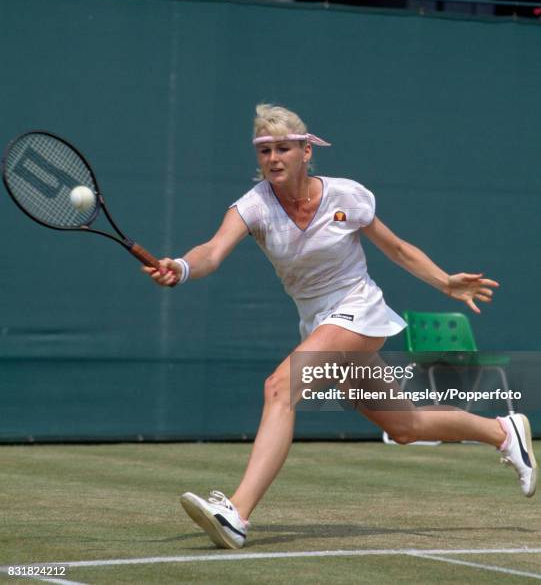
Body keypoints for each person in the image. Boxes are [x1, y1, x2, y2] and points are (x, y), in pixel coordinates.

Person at [143, 104, 537, 550]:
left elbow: (399, 249)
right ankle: (504, 431)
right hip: (318, 321)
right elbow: (212, 251)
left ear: (306, 151)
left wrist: (446, 282)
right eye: (265, 150)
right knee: (405, 426)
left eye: (284, 149)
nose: (274, 158)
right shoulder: (253, 207)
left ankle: (237, 513)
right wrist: (181, 266)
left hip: (358, 310)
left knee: (280, 388)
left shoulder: (347, 196)